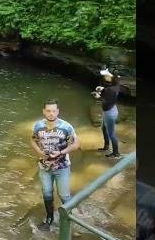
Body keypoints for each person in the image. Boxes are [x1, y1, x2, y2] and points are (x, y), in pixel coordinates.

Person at [31, 99, 80, 231]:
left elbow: (76, 144)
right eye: (48, 111)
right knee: (47, 193)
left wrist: (61, 152)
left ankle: (71, 220)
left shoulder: (66, 127)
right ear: (44, 111)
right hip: (44, 167)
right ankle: (49, 219)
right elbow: (33, 141)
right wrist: (41, 154)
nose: (51, 113)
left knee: (64, 195)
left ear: (57, 111)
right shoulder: (37, 126)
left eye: (53, 111)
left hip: (62, 167)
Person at [91, 67, 121, 158]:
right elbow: (109, 96)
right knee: (104, 128)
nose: (104, 76)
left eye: (106, 75)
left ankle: (116, 153)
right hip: (111, 110)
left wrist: (98, 96)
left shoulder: (110, 89)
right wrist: (103, 90)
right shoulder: (115, 85)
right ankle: (106, 146)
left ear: (111, 77)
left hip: (109, 113)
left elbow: (106, 101)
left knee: (111, 133)